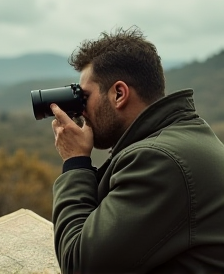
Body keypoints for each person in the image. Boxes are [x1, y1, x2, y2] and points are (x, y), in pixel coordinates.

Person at [50, 27, 224, 274]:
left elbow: (80, 264)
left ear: (119, 94)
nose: (80, 110)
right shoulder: (183, 134)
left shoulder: (160, 161)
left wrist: (76, 162)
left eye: (84, 97)